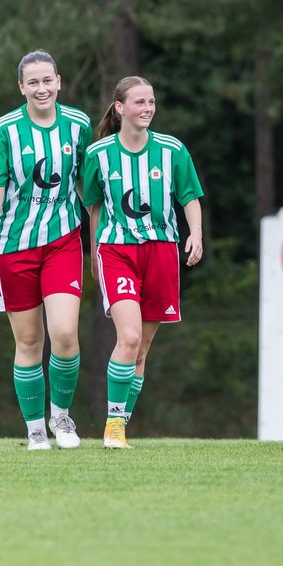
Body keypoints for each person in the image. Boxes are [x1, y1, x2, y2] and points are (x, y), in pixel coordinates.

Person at [0, 50, 90, 451]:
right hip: (13, 246)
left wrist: (102, 239)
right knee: (29, 342)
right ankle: (35, 428)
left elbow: (88, 187)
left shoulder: (78, 125)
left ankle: (61, 417)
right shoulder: (4, 130)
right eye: (32, 82)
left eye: (47, 80)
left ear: (59, 81)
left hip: (63, 242)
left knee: (66, 334)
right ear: (21, 87)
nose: (41, 88)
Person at [80, 76, 204, 450]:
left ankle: (121, 422)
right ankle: (114, 426)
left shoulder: (172, 150)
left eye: (151, 102)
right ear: (120, 108)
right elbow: (94, 210)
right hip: (117, 251)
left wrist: (195, 233)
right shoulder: (98, 154)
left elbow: (189, 196)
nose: (147, 108)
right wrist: (94, 255)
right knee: (129, 336)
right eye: (139, 102)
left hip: (162, 251)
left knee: (142, 348)